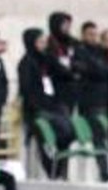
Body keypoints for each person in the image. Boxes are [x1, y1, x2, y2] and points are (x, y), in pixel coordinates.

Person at [18, 27, 76, 180]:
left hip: (52, 107)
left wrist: (52, 57)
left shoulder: (45, 60)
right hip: (37, 111)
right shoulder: (26, 64)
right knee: (50, 136)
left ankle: (59, 169)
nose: (44, 44)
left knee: (70, 132)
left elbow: (65, 73)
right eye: (40, 42)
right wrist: (38, 108)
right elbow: (27, 91)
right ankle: (53, 171)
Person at [73, 21, 108, 181]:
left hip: (103, 100)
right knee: (97, 138)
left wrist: (95, 68)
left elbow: (106, 71)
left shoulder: (99, 52)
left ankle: (106, 170)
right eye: (90, 34)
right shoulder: (79, 51)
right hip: (89, 102)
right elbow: (94, 70)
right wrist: (96, 69)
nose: (94, 38)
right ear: (83, 35)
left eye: (95, 35)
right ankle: (103, 172)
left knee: (102, 137)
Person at [45, 11, 78, 112]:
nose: (68, 28)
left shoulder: (73, 42)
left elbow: (82, 61)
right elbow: (53, 65)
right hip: (56, 90)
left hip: (72, 90)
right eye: (65, 25)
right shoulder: (49, 44)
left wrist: (74, 67)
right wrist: (70, 71)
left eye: (69, 25)